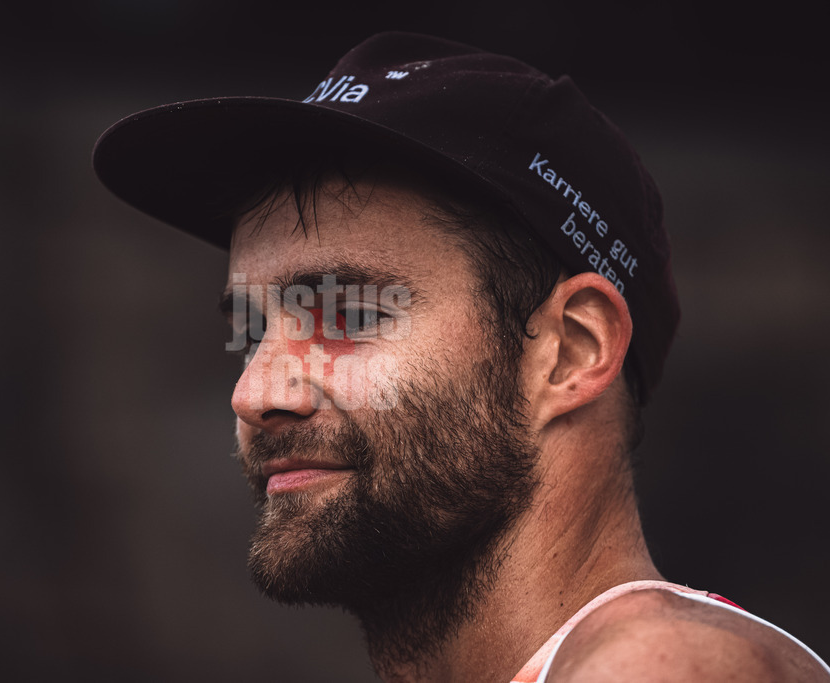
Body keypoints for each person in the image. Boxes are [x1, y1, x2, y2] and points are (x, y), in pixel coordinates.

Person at [93, 31, 830, 682]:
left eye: (348, 310)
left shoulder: (659, 667)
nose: (255, 392)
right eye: (253, 329)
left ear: (572, 350)